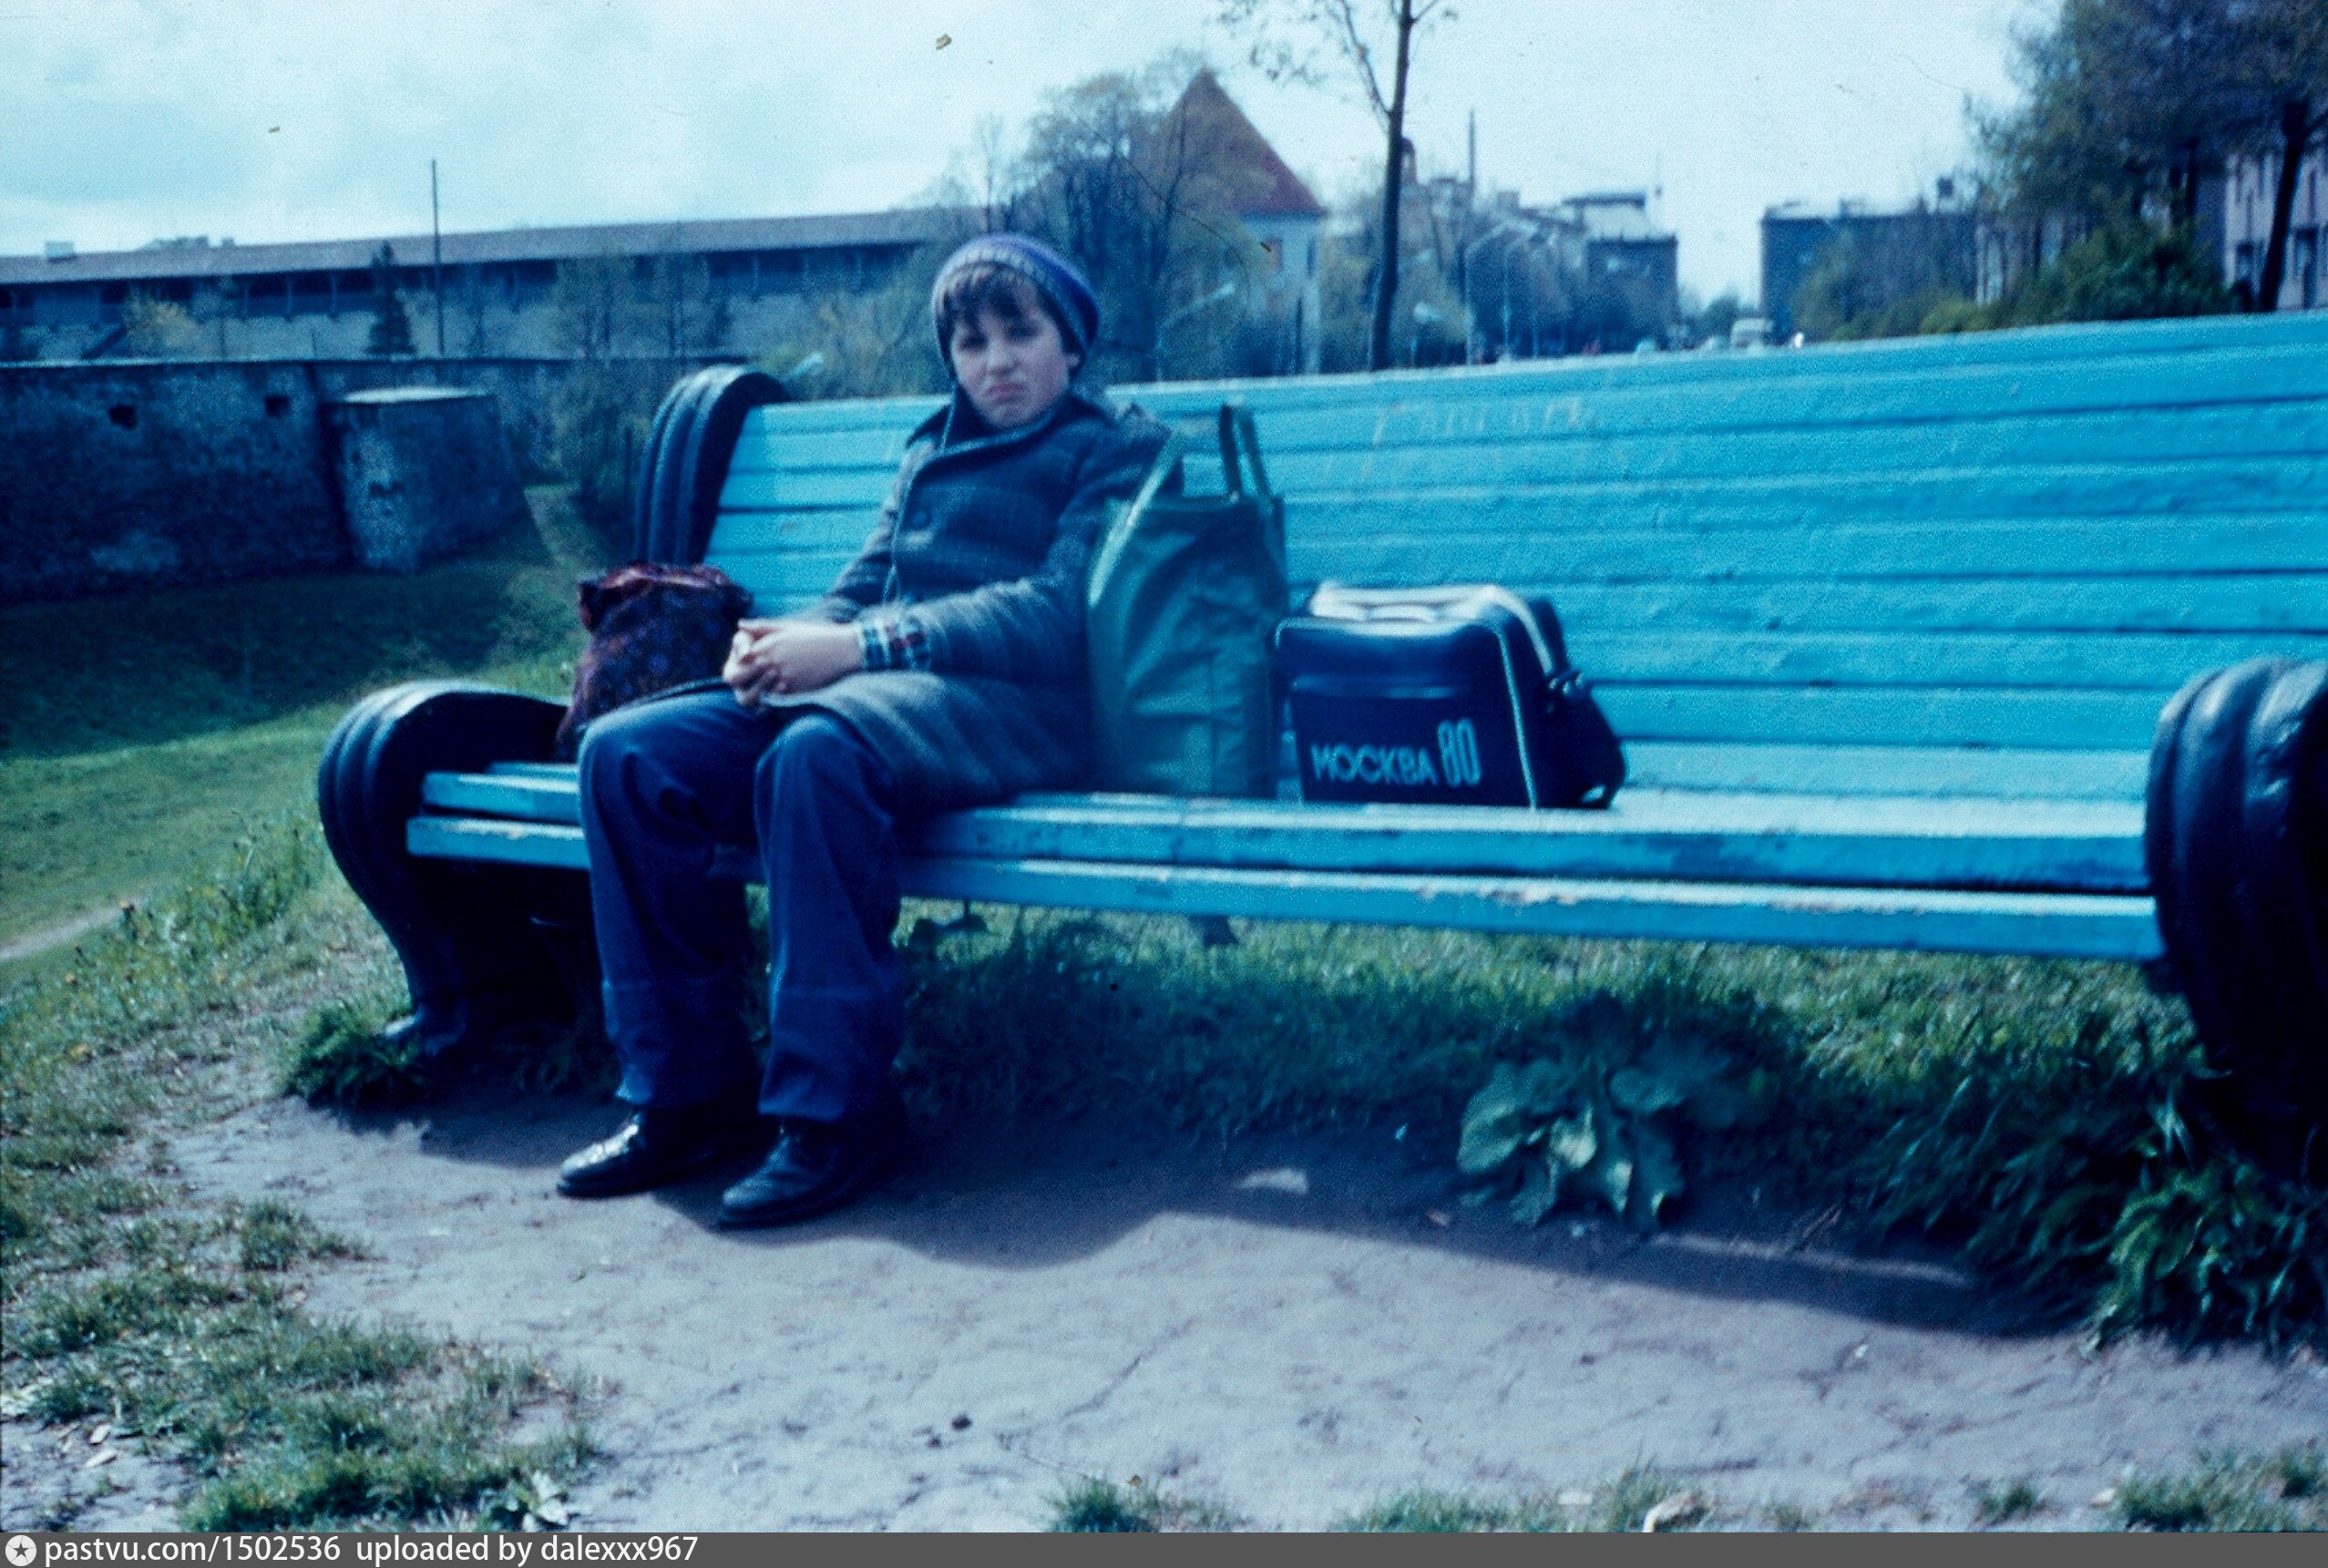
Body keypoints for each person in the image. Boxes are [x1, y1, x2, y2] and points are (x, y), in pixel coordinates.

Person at [557, 235, 1169, 1227]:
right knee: (626, 754)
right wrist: (776, 645)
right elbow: (867, 578)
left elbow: (1058, 612)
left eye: (1020, 333)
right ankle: (689, 1093)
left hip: (1017, 704)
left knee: (815, 752)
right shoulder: (930, 447)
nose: (996, 362)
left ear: (1071, 344)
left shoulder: (1114, 446)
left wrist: (859, 647)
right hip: (887, 692)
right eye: (971, 342)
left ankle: (838, 1113)